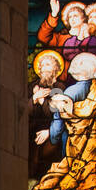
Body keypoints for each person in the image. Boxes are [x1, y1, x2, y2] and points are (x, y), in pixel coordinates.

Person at [29, 52, 96, 190]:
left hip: (77, 140)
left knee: (76, 167)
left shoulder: (71, 90)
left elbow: (60, 116)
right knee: (92, 168)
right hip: (93, 139)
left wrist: (52, 133)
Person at [29, 50, 68, 181]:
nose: (43, 68)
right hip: (30, 128)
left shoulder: (59, 87)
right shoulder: (32, 87)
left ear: (56, 69)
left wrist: (41, 101)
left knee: (48, 150)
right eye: (42, 65)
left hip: (52, 129)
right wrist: (34, 98)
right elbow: (23, 111)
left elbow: (55, 113)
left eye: (48, 65)